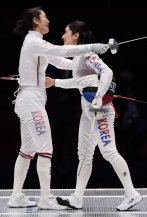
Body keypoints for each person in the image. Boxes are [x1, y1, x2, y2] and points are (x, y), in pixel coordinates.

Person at [7, 6, 109, 210]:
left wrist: (89, 61)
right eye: (45, 18)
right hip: (31, 102)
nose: (48, 21)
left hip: (29, 100)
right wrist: (91, 47)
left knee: (27, 150)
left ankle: (16, 196)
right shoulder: (34, 42)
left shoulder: (37, 44)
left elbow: (62, 62)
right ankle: (45, 198)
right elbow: (60, 50)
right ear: (36, 20)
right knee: (45, 149)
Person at [45, 20, 142, 211]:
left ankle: (132, 194)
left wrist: (98, 98)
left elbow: (107, 72)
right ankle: (77, 198)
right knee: (84, 154)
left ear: (75, 36)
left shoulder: (88, 54)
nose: (63, 36)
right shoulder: (78, 57)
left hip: (100, 110)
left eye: (66, 32)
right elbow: (75, 77)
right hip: (88, 110)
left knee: (109, 152)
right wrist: (43, 57)